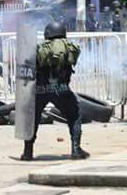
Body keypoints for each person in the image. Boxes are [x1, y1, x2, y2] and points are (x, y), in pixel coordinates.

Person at [20, 21, 90, 161]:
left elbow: (26, 69)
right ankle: (76, 149)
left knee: (32, 120)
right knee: (74, 115)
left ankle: (28, 152)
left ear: (47, 33)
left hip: (40, 89)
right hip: (61, 89)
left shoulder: (39, 48)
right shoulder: (69, 47)